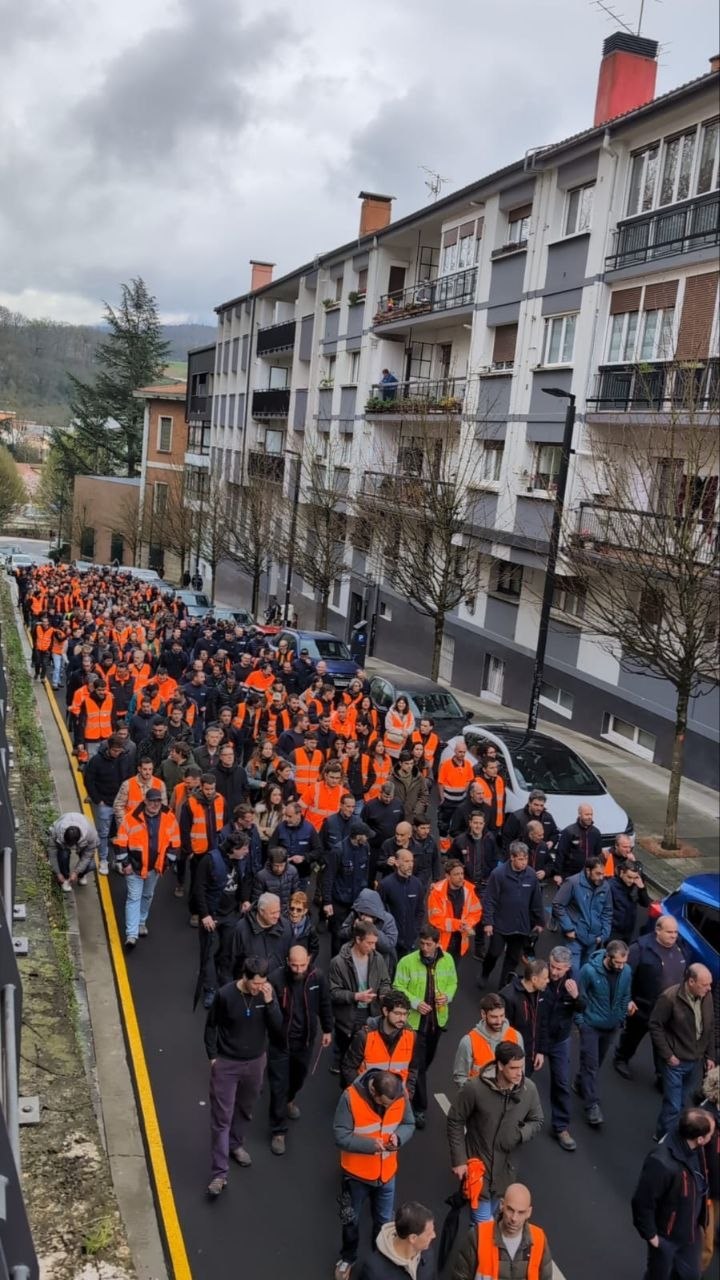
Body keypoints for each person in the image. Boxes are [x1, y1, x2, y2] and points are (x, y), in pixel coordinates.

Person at [204, 956, 282, 1196]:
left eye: (263, 983)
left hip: (256, 1062)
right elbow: (211, 1026)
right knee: (222, 1117)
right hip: (227, 1063)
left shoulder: (266, 995)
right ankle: (219, 1173)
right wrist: (213, 1056)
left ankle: (236, 1144)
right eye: (256, 984)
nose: (259, 987)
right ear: (245, 977)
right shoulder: (226, 995)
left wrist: (269, 1003)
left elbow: (278, 1029)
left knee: (246, 1109)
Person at [447, 1041, 543, 1224]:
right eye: (513, 1068)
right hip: (478, 1169)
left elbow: (537, 1119)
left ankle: (474, 1244)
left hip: (506, 1171)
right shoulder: (474, 1088)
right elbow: (455, 1120)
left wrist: (521, 1134)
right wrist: (459, 1160)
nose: (519, 1073)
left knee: (489, 1218)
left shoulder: (529, 1089)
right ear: (499, 1065)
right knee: (485, 1225)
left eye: (521, 1067)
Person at [333, 1068, 415, 1280]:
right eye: (385, 1104)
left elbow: (408, 1123)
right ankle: (348, 1258)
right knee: (350, 1221)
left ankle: (379, 1262)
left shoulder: (399, 1093)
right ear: (375, 1094)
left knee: (384, 1222)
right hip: (355, 1177)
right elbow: (340, 1136)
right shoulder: (350, 1097)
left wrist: (398, 1137)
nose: (390, 1107)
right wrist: (371, 1146)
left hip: (386, 1175)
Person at [632, 1108, 715, 1280]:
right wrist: (652, 1237)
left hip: (689, 1233)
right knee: (658, 1276)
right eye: (711, 1133)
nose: (712, 1136)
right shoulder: (661, 1163)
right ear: (700, 1139)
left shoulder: (696, 1149)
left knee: (690, 1275)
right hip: (666, 1238)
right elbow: (642, 1202)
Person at [267, 943, 333, 1155]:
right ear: (288, 962)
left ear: (309, 961)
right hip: (280, 1042)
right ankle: (278, 1131)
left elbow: (324, 1003)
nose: (298, 970)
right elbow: (268, 1012)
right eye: (294, 965)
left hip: (305, 1040)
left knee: (299, 1076)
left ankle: (290, 1098)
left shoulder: (317, 977)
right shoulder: (276, 979)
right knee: (278, 1085)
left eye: (302, 965)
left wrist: (327, 1029)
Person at [395, 925, 457, 1128]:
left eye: (429, 944)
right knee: (419, 1065)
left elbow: (453, 983)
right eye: (422, 944)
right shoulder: (407, 962)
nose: (424, 948)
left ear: (438, 944)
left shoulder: (447, 960)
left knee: (426, 1062)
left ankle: (410, 1087)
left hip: (436, 1021)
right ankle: (419, 1107)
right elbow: (398, 987)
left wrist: (446, 997)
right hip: (415, 1023)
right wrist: (414, 1002)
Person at [614, 914, 689, 1084]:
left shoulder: (680, 947)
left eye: (676, 932)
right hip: (643, 1005)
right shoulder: (640, 949)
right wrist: (628, 999)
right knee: (633, 1035)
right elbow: (626, 976)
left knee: (664, 1043)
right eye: (669, 932)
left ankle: (662, 1074)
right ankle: (621, 1058)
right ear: (658, 930)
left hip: (670, 1009)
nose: (673, 936)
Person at [650, 963, 716, 1141]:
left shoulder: (706, 996)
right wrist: (668, 1055)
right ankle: (664, 1139)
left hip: (696, 1061)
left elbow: (708, 1028)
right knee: (672, 1104)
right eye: (705, 984)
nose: (709, 988)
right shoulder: (669, 998)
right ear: (691, 981)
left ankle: (667, 1131)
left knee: (681, 1102)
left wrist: (710, 1056)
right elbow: (655, 1025)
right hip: (676, 1061)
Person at [575, 939, 635, 1127]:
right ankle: (592, 1105)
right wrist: (581, 1023)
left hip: (611, 1027)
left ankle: (579, 1082)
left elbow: (626, 994)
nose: (620, 966)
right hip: (591, 1026)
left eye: (624, 962)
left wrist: (622, 1015)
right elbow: (579, 997)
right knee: (591, 1065)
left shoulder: (626, 972)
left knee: (596, 1062)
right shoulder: (589, 971)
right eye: (617, 962)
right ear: (607, 957)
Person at [114, 788, 181, 948]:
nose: (154, 804)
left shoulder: (169, 818)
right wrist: (125, 864)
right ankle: (131, 935)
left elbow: (175, 843)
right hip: (134, 868)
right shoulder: (131, 818)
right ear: (145, 801)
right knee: (134, 897)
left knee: (147, 895)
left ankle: (141, 922)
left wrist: (166, 864)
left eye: (157, 801)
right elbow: (121, 842)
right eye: (151, 801)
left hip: (154, 868)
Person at [194, 832, 251, 1009]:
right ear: (234, 849)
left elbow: (244, 880)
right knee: (208, 953)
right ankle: (210, 988)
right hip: (212, 914)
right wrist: (204, 915)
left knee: (227, 951)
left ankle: (224, 980)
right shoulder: (209, 860)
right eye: (244, 849)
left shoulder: (241, 860)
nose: (247, 852)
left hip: (230, 913)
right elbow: (199, 889)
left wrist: (244, 899)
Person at [451, 1182, 553, 1280]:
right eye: (510, 1209)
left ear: (529, 1212)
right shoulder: (478, 1236)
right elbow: (460, 1276)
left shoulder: (539, 1239)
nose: (514, 1218)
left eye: (521, 1212)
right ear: (502, 1205)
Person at [539, 945, 585, 1153]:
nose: (554, 972)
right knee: (519, 1076)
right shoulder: (541, 973)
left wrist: (576, 996)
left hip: (560, 1039)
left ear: (568, 967)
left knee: (562, 1082)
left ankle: (561, 1126)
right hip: (538, 1034)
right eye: (552, 966)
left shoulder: (575, 979)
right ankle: (515, 1118)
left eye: (559, 968)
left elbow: (584, 1007)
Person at [329, 921, 392, 1067]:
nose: (373, 947)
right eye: (369, 943)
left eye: (374, 943)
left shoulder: (377, 959)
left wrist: (383, 994)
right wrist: (356, 996)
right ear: (358, 939)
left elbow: (385, 982)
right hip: (349, 1017)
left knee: (368, 1056)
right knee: (347, 1058)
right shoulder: (338, 963)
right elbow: (333, 993)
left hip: (372, 1013)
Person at [481, 842, 544, 986]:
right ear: (512, 858)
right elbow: (490, 899)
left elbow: (536, 900)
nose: (523, 862)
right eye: (520, 859)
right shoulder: (498, 874)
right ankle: (485, 973)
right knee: (494, 952)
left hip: (521, 925)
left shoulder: (531, 875)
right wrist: (488, 922)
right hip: (500, 924)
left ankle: (503, 987)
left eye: (526, 859)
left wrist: (540, 921)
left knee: (513, 958)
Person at [341, 989, 418, 1095]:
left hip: (397, 1098)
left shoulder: (411, 1036)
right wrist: (360, 1093)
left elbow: (413, 1068)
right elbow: (349, 1067)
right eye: (397, 1013)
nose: (402, 1019)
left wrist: (409, 1092)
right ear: (385, 1011)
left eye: (405, 1014)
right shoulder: (364, 1036)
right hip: (369, 1096)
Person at [551, 856, 612, 970]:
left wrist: (604, 935)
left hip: (594, 939)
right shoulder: (573, 882)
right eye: (598, 873)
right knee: (574, 973)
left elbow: (607, 911)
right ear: (588, 871)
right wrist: (569, 928)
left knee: (585, 974)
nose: (601, 877)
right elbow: (558, 904)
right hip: (575, 938)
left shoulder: (605, 886)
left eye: (603, 874)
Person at [323, 819, 373, 955]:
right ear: (358, 837)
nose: (368, 838)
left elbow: (366, 873)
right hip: (339, 902)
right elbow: (328, 877)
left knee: (355, 936)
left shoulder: (366, 847)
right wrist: (327, 902)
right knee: (338, 936)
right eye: (365, 835)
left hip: (357, 902)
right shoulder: (338, 850)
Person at [84, 732, 132, 874]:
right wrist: (98, 800)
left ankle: (119, 860)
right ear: (109, 748)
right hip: (105, 803)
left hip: (121, 804)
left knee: (121, 833)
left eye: (120, 750)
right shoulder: (96, 761)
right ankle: (103, 860)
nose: (117, 753)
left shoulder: (125, 759)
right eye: (115, 750)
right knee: (103, 833)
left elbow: (129, 778)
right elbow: (89, 781)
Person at [453, 993, 523, 1088]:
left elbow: (521, 1072)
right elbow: (460, 1076)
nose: (499, 1021)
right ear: (483, 1014)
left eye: (502, 1015)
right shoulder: (469, 1042)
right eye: (494, 1017)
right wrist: (474, 1096)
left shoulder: (516, 1037)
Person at [358, 1201, 437, 1280]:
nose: (434, 1235)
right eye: (429, 1234)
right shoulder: (373, 1272)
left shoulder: (427, 1253)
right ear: (413, 1238)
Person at [500, 959, 549, 1078]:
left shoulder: (541, 994)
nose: (548, 981)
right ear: (534, 979)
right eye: (545, 978)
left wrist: (540, 1051)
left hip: (530, 1059)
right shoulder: (508, 997)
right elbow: (502, 1032)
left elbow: (542, 1023)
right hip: (512, 1060)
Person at [427, 860, 482, 964]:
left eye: (462, 873)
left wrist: (468, 923)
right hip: (441, 942)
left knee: (452, 972)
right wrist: (460, 925)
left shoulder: (468, 890)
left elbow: (476, 912)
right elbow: (436, 919)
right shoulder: (436, 893)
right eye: (456, 874)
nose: (461, 877)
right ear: (447, 876)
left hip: (460, 941)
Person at [231, 891, 292, 974]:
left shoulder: (286, 926)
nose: (277, 916)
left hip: (277, 982)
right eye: (273, 913)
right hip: (251, 983)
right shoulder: (241, 929)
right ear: (261, 911)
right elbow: (231, 961)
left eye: (278, 911)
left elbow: (291, 954)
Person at [379, 849, 424, 959]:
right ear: (397, 863)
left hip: (410, 939)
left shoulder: (417, 884)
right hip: (391, 939)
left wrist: (415, 931)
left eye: (412, 861)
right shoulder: (386, 884)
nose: (410, 865)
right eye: (406, 861)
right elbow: (380, 911)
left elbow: (420, 910)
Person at [46, 812, 100, 892]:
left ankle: (80, 875)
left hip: (85, 842)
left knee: (92, 865)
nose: (70, 847)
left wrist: (76, 872)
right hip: (63, 838)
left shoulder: (91, 835)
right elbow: (52, 853)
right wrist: (57, 873)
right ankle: (65, 878)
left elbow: (87, 856)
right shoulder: (56, 831)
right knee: (63, 854)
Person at [554, 805, 603, 881]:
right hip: (570, 874)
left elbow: (598, 854)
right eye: (586, 814)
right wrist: (557, 873)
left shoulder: (596, 832)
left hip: (589, 875)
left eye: (591, 814)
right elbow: (560, 853)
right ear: (579, 814)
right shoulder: (569, 831)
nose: (589, 817)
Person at [437, 741, 474, 834]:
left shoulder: (468, 765)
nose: (462, 754)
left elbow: (470, 779)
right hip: (448, 801)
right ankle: (444, 846)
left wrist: (466, 790)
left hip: (461, 802)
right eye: (460, 752)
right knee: (444, 825)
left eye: (464, 752)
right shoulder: (446, 764)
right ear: (455, 751)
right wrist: (442, 798)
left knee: (457, 826)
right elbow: (440, 782)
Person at [609, 860, 651, 943]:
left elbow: (646, 904)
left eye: (634, 878)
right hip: (613, 931)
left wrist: (642, 888)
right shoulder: (611, 886)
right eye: (629, 877)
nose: (632, 881)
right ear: (621, 873)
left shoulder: (635, 886)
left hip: (628, 931)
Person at [252, 847, 300, 916]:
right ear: (271, 863)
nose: (279, 869)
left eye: (281, 865)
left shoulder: (292, 871)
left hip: (287, 912)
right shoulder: (261, 876)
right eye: (276, 866)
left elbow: (296, 893)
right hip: (270, 913)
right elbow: (257, 900)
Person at [286, 890, 320, 961]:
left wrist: (307, 962)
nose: (294, 912)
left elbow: (314, 950)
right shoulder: (282, 924)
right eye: (292, 908)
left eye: (299, 910)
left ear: (305, 911)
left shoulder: (310, 929)